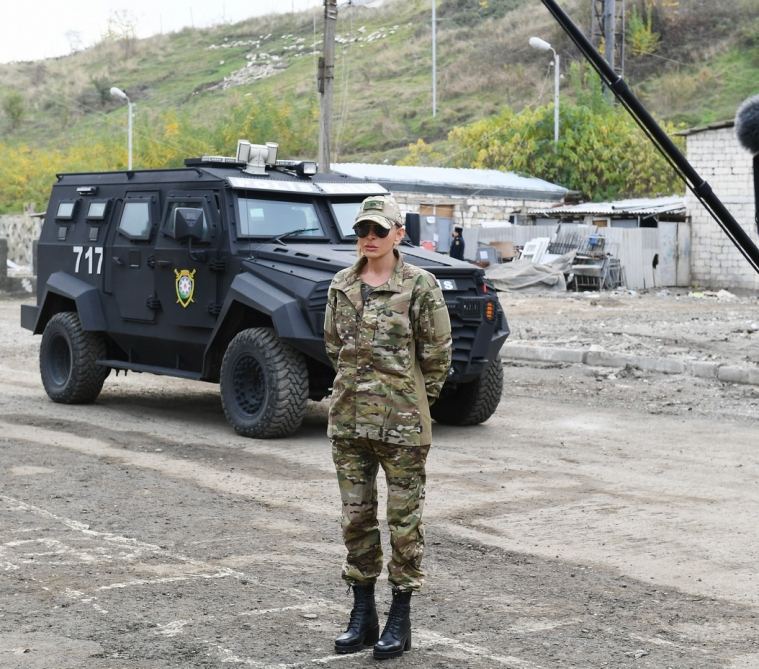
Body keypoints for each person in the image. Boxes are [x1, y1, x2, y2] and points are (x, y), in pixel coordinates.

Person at [324, 194, 452, 660]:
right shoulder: (341, 285)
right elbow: (334, 346)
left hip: (402, 428)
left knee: (403, 525)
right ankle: (362, 614)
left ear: (400, 233)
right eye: (363, 231)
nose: (370, 239)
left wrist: (413, 401)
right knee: (356, 520)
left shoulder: (420, 285)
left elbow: (437, 357)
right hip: (349, 422)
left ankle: (400, 616)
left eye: (379, 230)